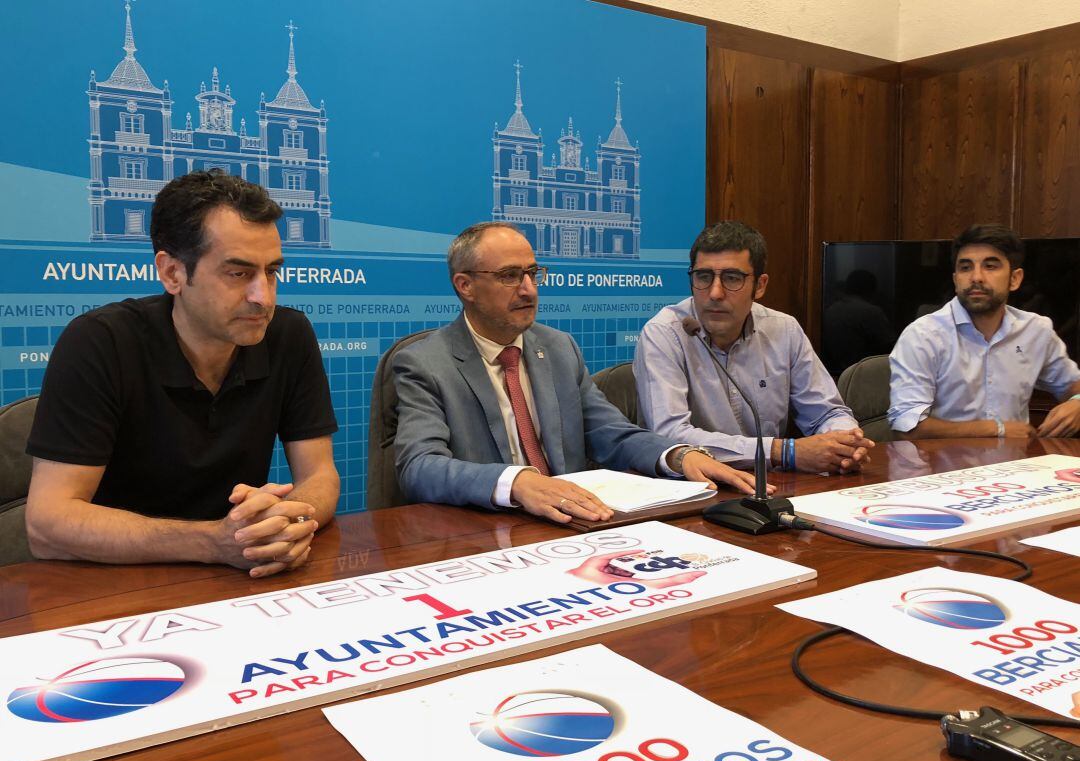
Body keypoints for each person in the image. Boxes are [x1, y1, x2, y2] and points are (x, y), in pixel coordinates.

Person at [25, 171, 340, 577]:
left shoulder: (288, 335)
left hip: (239, 579)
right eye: (238, 273)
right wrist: (214, 541)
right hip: (112, 585)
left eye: (272, 271)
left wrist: (287, 522)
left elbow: (320, 473)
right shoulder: (100, 342)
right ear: (172, 273)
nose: (263, 296)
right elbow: (47, 523)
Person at [392, 221, 764, 524]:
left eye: (533, 273)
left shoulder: (557, 348)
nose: (528, 290)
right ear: (465, 286)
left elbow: (611, 435)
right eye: (509, 276)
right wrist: (516, 482)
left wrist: (678, 455)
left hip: (577, 525)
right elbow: (419, 467)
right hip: (487, 533)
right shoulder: (424, 363)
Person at [633, 220, 872, 475]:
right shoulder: (664, 334)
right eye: (703, 277)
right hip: (692, 489)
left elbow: (826, 413)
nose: (714, 293)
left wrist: (846, 443)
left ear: (760, 285)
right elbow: (669, 436)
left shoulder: (784, 329)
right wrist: (783, 452)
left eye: (732, 278)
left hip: (767, 486)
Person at [888, 223, 1080, 439]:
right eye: (966, 267)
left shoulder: (1035, 330)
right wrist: (996, 429)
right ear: (955, 280)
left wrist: (1077, 403)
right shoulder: (923, 336)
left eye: (990, 266)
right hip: (944, 468)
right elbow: (906, 428)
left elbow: (1072, 384)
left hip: (1017, 466)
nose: (976, 277)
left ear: (1015, 279)